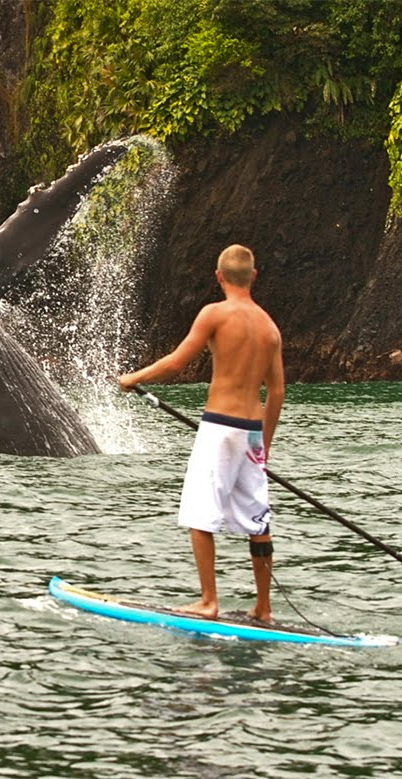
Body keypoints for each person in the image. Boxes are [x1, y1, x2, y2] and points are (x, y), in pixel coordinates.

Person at [118, 244, 284, 622]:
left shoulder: (214, 314)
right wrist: (265, 445)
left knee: (199, 512)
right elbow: (276, 392)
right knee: (257, 520)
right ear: (254, 277)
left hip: (220, 426)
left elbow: (177, 363)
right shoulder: (269, 327)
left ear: (219, 277)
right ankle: (263, 607)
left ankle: (209, 600)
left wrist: (134, 378)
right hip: (253, 433)